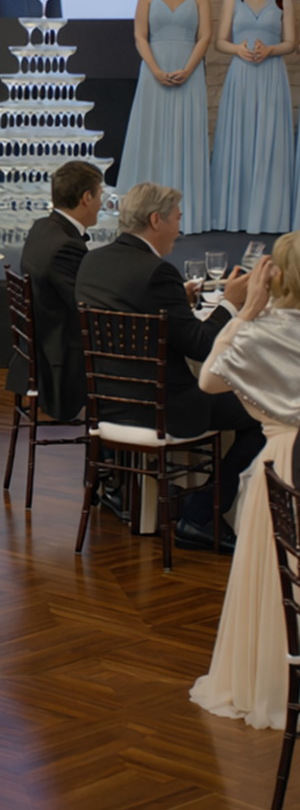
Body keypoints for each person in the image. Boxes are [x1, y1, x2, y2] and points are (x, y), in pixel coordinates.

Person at [75, 182, 264, 550]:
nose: (180, 227)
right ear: (155, 220)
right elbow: (201, 345)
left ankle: (161, 497)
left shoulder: (93, 261)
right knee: (263, 413)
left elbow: (132, 315)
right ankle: (201, 514)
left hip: (106, 402)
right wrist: (230, 304)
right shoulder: (157, 272)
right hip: (161, 408)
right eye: (177, 218)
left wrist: (178, 302)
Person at [190, 243, 300, 730]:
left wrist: (246, 313)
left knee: (280, 580)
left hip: (282, 468)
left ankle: (274, 680)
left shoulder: (259, 333)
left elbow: (209, 381)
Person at [116, 0, 212, 233]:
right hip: (153, 72)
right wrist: (156, 70)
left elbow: (205, 37)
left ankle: (185, 215)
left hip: (189, 73)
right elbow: (139, 36)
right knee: (151, 136)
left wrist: (188, 69)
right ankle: (142, 214)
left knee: (186, 136)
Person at [6, 160, 103, 422]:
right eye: (100, 195)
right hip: (62, 365)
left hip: (38, 349)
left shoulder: (42, 228)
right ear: (86, 198)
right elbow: (87, 306)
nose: (102, 203)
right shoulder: (65, 246)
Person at [211, 0, 296, 233]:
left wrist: (270, 49)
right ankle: (234, 215)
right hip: (241, 76)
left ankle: (268, 216)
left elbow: (291, 43)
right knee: (240, 137)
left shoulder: (284, 2)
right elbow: (220, 41)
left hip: (272, 77)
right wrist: (239, 49)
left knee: (270, 141)